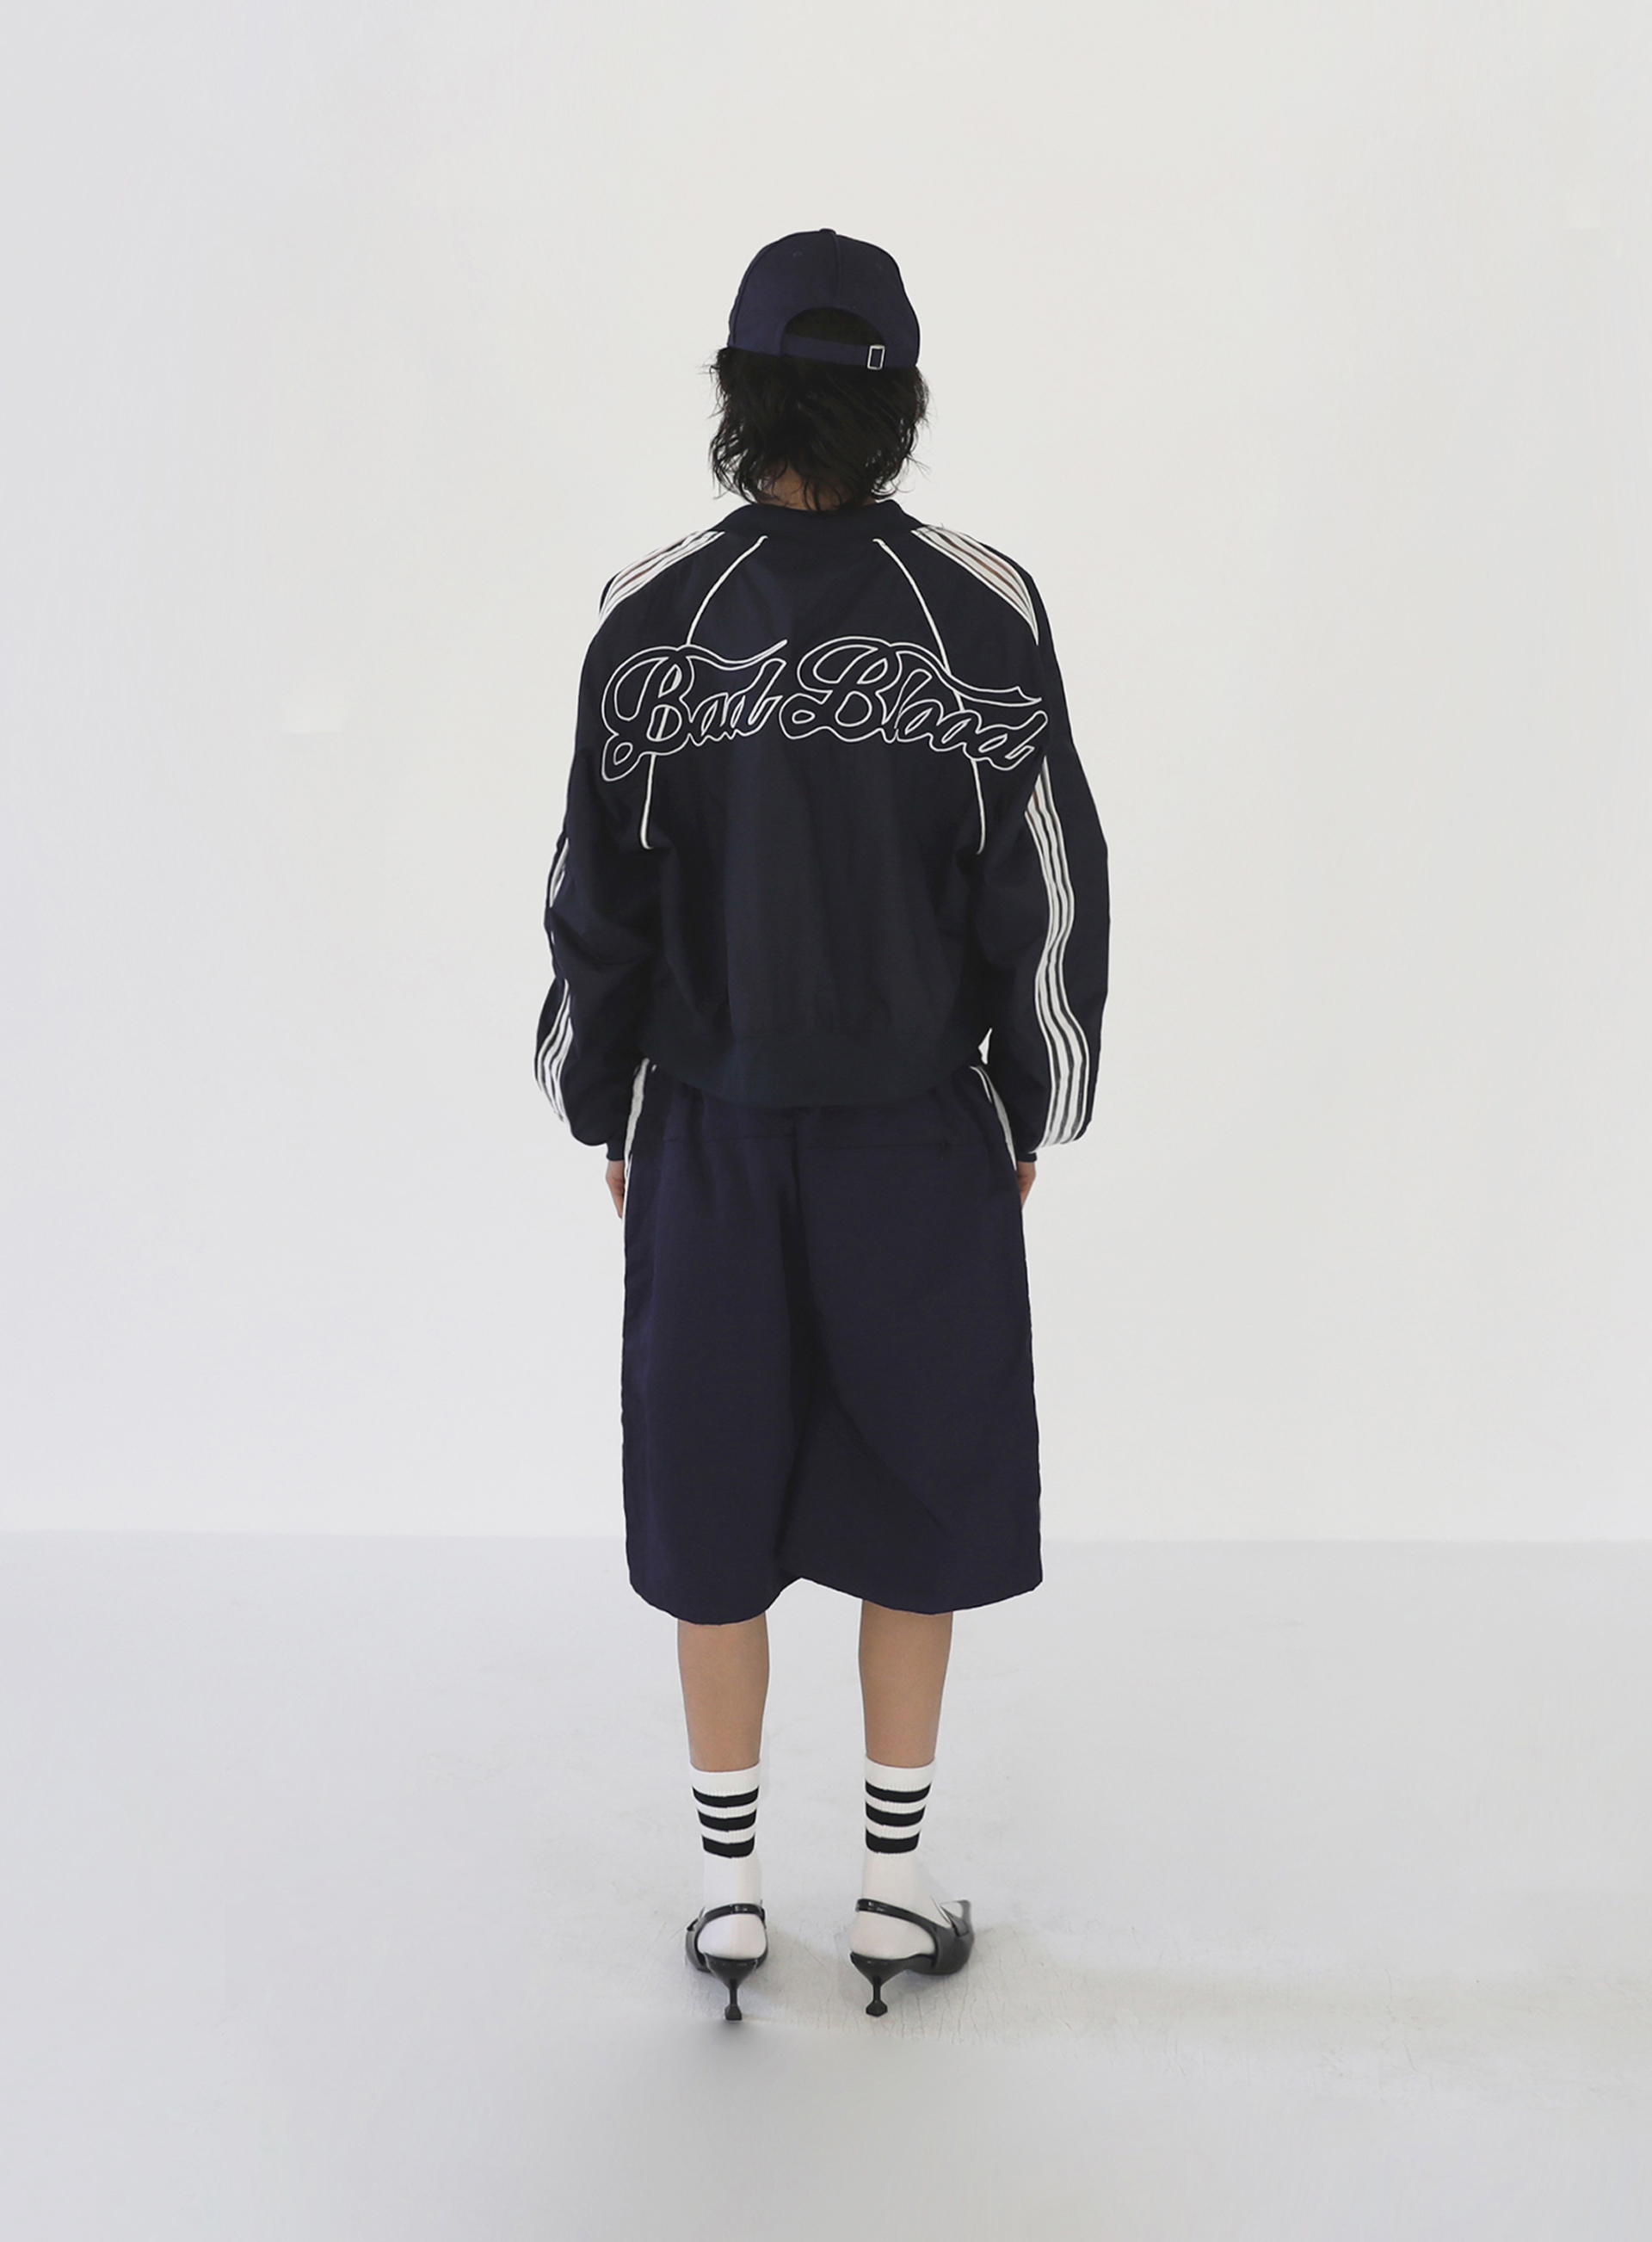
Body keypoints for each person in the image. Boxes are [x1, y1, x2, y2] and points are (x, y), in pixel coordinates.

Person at [535, 229, 1108, 2021]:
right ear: (902, 398)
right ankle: (888, 1887)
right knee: (916, 1495)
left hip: (706, 1129)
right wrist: (1032, 1100)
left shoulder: (651, 608)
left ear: (738, 391)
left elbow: (595, 895)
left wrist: (602, 1103)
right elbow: (1047, 887)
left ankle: (727, 1895)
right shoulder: (980, 603)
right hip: (915, 1134)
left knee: (711, 1491)